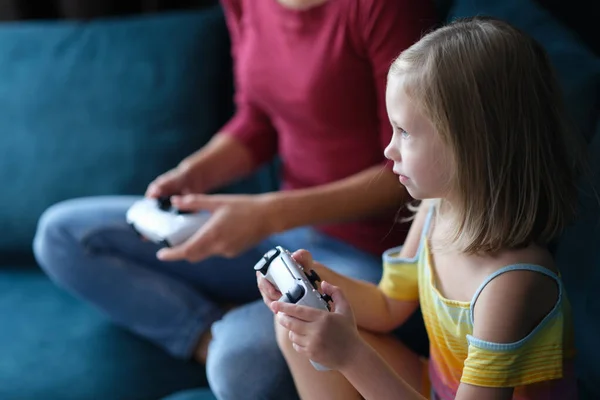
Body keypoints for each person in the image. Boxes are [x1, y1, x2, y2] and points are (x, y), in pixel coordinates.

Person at [32, 0, 436, 399]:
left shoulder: (379, 8)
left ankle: (243, 329)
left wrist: (267, 215)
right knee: (63, 235)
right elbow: (257, 118)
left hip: (362, 254)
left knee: (239, 367)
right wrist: (196, 172)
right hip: (281, 232)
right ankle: (212, 330)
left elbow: (404, 174)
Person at [258, 16, 582, 400]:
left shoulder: (511, 284)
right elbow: (386, 306)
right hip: (433, 388)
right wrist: (313, 280)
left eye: (405, 132)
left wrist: (350, 356)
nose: (388, 150)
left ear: (472, 146)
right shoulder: (435, 208)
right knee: (298, 325)